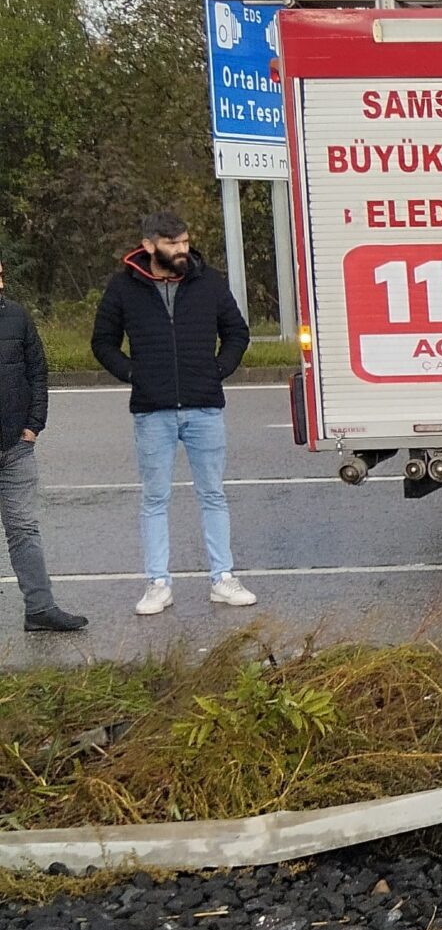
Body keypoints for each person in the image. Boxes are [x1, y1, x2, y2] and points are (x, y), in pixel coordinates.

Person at [91, 210, 255, 616]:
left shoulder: (208, 282)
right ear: (149, 246)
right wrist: (133, 373)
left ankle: (223, 578)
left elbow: (237, 332)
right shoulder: (123, 287)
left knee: (213, 494)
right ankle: (157, 583)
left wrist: (218, 370)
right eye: (173, 244)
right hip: (152, 411)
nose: (183, 250)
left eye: (185, 242)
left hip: (204, 407)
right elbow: (103, 342)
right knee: (154, 498)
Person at [0, 253, 86, 633]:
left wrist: (33, 425)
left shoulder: (17, 316)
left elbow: (37, 370)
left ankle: (39, 608)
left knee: (24, 531)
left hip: (16, 447)